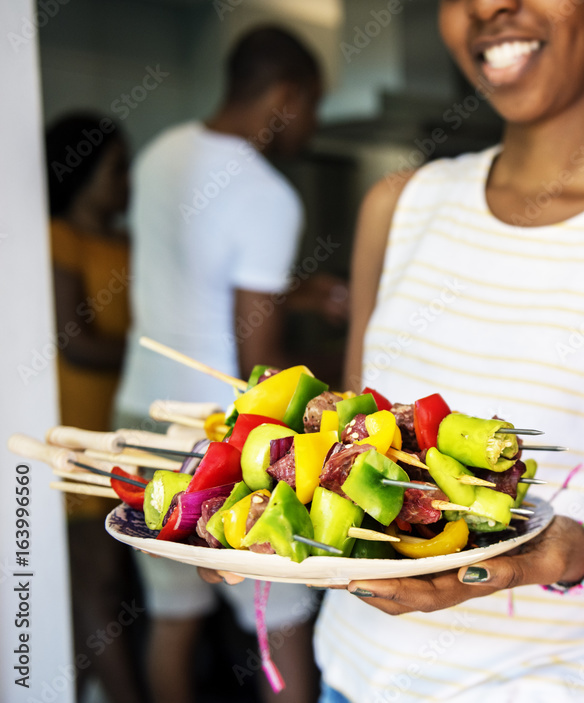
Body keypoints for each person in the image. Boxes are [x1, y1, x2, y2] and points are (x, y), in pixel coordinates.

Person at [206, 2, 584, 701]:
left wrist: (581, 557)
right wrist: (250, 508)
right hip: (352, 679)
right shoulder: (397, 205)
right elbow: (356, 463)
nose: (487, 6)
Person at [114, 25, 336, 703]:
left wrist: (297, 291)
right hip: (222, 437)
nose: (310, 125)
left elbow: (192, 278)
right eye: (311, 107)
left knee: (174, 620)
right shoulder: (269, 194)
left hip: (142, 415)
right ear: (286, 96)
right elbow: (260, 363)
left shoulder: (159, 156)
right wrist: (342, 365)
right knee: (282, 624)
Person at [46, 113, 144, 703]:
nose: (127, 181)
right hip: (80, 429)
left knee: (116, 572)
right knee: (99, 578)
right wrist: (152, 356)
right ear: (80, 173)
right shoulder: (61, 236)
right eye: (116, 168)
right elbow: (73, 338)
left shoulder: (128, 241)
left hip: (125, 428)